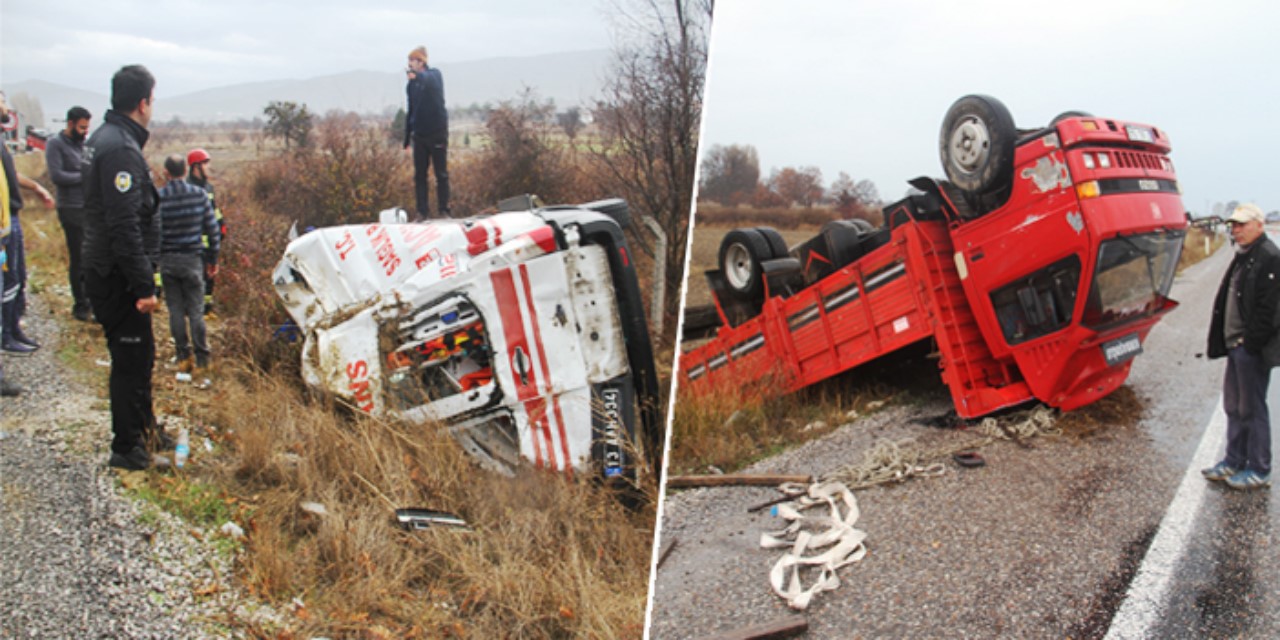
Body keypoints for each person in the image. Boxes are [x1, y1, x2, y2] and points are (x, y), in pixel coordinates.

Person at [82, 65, 168, 470]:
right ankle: (127, 447)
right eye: (152, 100)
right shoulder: (118, 148)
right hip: (116, 275)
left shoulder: (106, 138)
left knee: (141, 355)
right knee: (131, 359)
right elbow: (124, 225)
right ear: (142, 103)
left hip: (109, 268)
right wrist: (144, 286)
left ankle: (146, 428)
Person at [1203, 202, 1279, 490]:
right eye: (1234, 225)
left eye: (1243, 224)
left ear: (1259, 225)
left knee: (1252, 408)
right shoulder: (1244, 255)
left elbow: (1270, 309)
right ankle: (1233, 460)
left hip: (1250, 349)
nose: (1236, 230)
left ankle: (1259, 468)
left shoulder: (1269, 257)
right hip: (1236, 346)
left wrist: (1251, 342)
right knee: (1234, 406)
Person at [0, 91, 55, 355]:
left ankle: (13, 329)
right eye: (1, 101)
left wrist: (37, 188)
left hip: (11, 220)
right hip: (3, 224)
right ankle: (6, 336)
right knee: (7, 280)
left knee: (17, 277)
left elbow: (12, 172)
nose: (6, 107)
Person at [157, 154, 219, 379]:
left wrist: (155, 261)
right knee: (196, 311)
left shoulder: (159, 197)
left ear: (166, 173)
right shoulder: (199, 195)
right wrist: (212, 259)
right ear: (185, 171)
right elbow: (213, 230)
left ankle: (183, 357)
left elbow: (152, 231)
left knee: (175, 310)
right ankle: (203, 360)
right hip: (193, 259)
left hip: (168, 260)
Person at [45, 105, 93, 321]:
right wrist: (84, 177)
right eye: (82, 127)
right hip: (70, 208)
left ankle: (91, 299)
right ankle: (80, 304)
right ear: (70, 123)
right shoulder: (55, 145)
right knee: (79, 257)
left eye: (87, 128)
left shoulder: (84, 145)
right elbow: (57, 176)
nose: (85, 131)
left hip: (88, 206)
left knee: (90, 256)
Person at [404, 45, 450, 219]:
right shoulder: (411, 86)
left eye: (412, 61)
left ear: (421, 62)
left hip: (437, 132)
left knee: (441, 174)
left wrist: (418, 76)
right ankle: (422, 212)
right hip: (419, 135)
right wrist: (407, 137)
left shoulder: (434, 75)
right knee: (420, 176)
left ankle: (444, 210)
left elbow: (429, 80)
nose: (409, 64)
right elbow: (411, 110)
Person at [185, 148, 224, 314]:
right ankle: (192, 310)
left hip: (210, 241)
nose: (209, 167)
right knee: (196, 277)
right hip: (194, 243)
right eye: (205, 163)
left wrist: (222, 224)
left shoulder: (209, 188)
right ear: (196, 167)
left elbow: (214, 210)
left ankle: (206, 308)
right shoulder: (188, 188)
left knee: (210, 277)